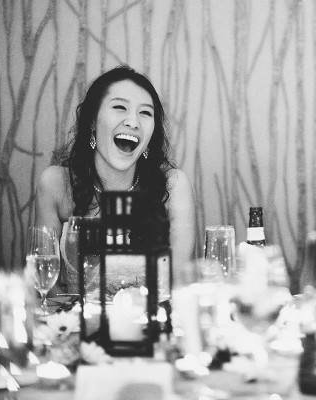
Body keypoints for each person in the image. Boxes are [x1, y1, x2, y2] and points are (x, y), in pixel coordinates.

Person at [36, 65, 196, 291]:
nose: (133, 122)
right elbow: (46, 286)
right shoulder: (56, 184)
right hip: (75, 315)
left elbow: (178, 284)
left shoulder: (174, 186)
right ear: (92, 121)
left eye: (145, 113)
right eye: (120, 107)